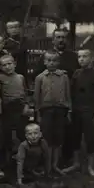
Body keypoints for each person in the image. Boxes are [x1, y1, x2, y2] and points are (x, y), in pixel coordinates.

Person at [33, 28, 80, 169]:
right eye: (58, 37)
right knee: (48, 133)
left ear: (68, 40)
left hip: (66, 100)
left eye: (64, 37)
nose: (61, 40)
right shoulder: (45, 58)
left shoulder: (73, 57)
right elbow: (38, 77)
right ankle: (46, 162)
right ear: (53, 40)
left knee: (65, 132)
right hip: (48, 103)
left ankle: (64, 159)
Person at [62, 49, 94, 177]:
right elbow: (71, 92)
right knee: (75, 137)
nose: (81, 59)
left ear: (91, 59)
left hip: (89, 112)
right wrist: (70, 110)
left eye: (85, 56)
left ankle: (90, 166)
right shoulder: (76, 73)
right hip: (76, 111)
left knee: (90, 138)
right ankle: (76, 163)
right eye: (79, 57)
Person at [34, 50, 71, 175]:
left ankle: (55, 164)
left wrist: (69, 111)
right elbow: (36, 98)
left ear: (58, 62)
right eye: (49, 60)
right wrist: (38, 114)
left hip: (60, 111)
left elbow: (68, 95)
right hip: (46, 111)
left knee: (58, 138)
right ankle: (47, 165)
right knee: (47, 138)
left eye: (54, 60)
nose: (51, 63)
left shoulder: (64, 77)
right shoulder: (40, 78)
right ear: (44, 62)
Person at [0, 55, 31, 168]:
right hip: (6, 109)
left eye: (9, 64)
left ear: (14, 64)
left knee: (22, 133)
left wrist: (26, 105)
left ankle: (26, 160)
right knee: (6, 135)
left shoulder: (20, 77)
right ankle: (7, 163)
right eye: (4, 65)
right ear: (0, 67)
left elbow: (25, 92)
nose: (7, 67)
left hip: (20, 108)